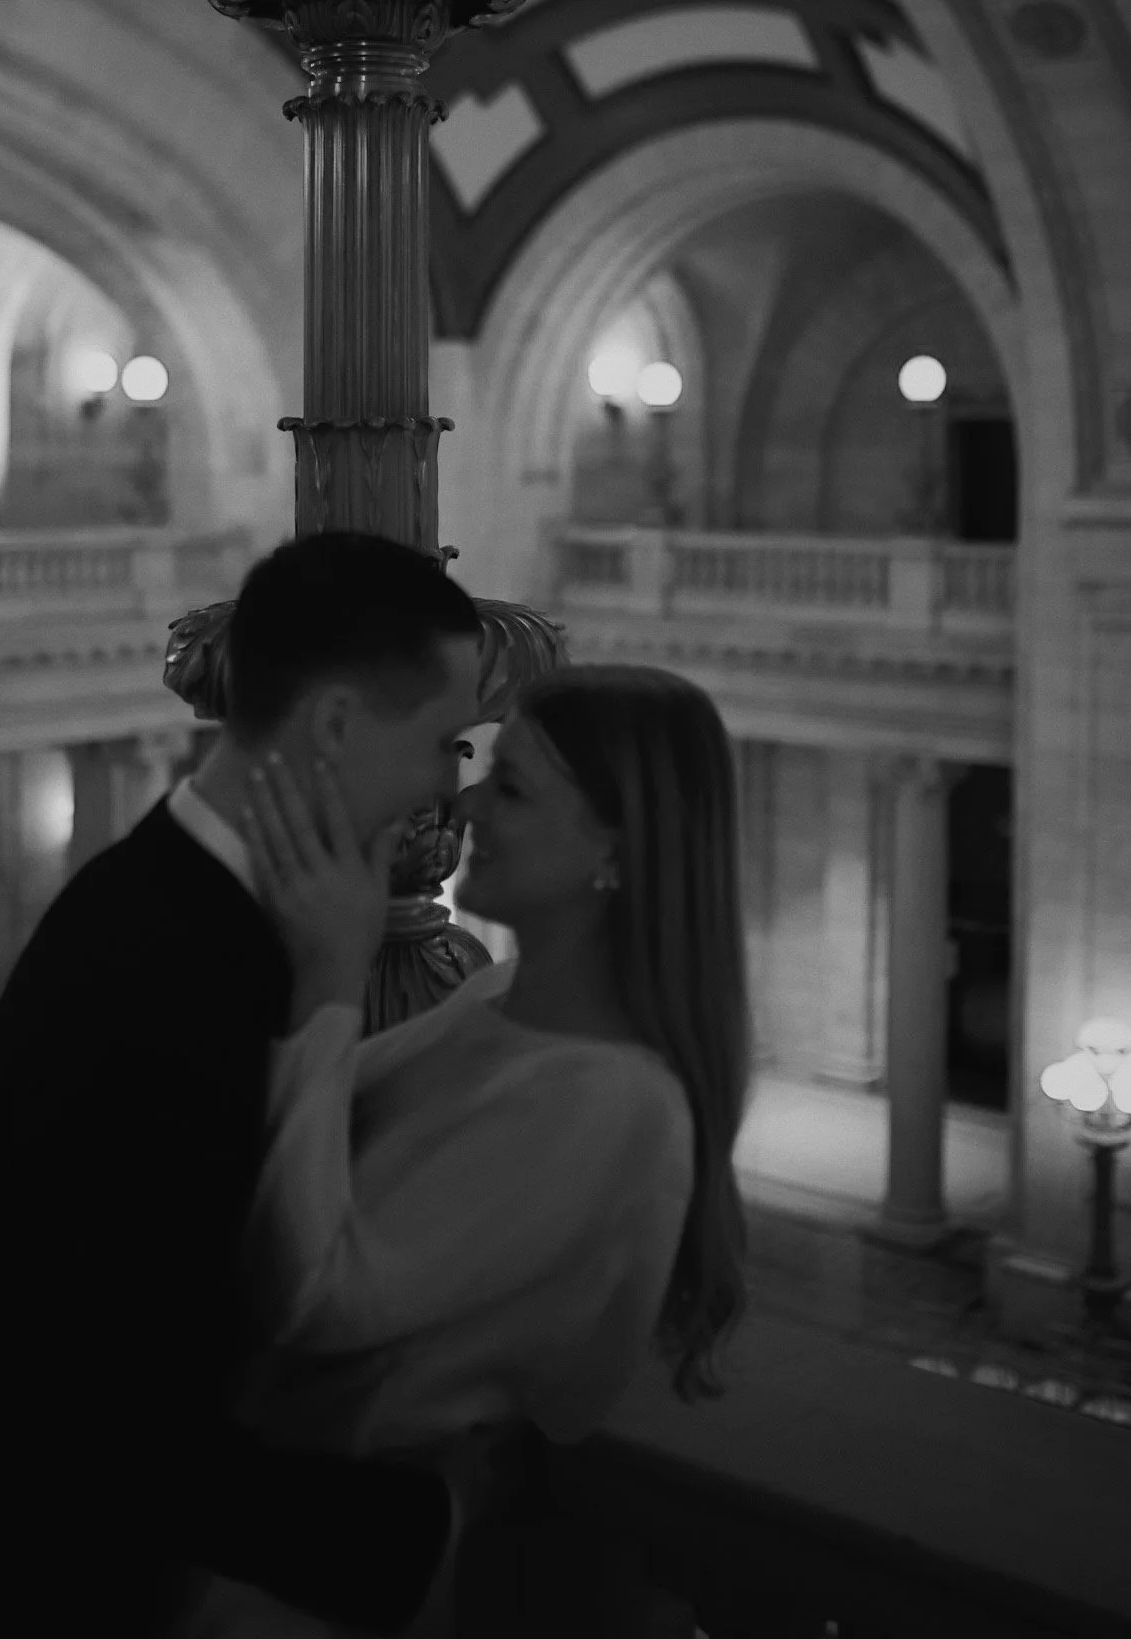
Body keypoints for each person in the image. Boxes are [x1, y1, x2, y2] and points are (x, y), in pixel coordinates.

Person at [0, 531, 487, 1638]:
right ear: (339, 724)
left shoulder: (160, 898)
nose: (451, 787)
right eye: (444, 740)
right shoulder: (175, 963)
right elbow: (107, 1411)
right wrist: (430, 1536)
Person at [184, 664, 751, 1639]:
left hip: (354, 1570)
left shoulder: (618, 1101)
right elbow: (293, 1121)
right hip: (289, 1517)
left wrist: (329, 970)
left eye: (515, 787)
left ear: (615, 847)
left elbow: (316, 1298)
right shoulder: (497, 995)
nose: (467, 800)